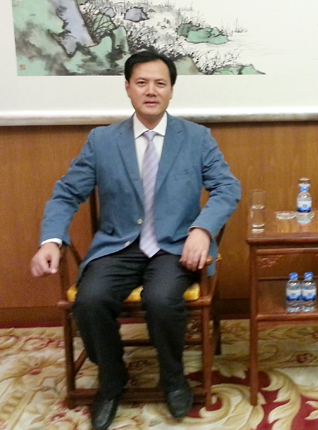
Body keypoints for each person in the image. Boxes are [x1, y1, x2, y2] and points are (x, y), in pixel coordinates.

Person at [30, 50, 241, 430]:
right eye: (142, 82)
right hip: (119, 245)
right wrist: (50, 240)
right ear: (127, 87)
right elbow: (66, 194)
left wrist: (201, 229)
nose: (151, 91)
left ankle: (173, 377)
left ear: (171, 89)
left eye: (160, 83)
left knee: (161, 300)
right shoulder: (102, 140)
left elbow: (227, 188)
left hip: (175, 246)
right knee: (90, 301)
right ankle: (112, 379)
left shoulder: (196, 138)